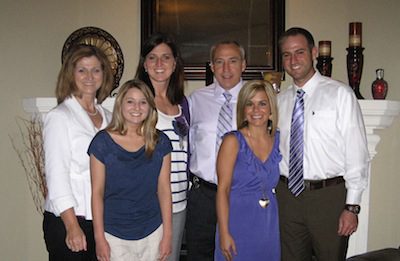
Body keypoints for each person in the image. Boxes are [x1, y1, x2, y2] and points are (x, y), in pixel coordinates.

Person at [276, 27, 370, 261]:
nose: (293, 60)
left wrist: (352, 207)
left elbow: (356, 152)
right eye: (286, 55)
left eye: (299, 52)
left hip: (328, 197)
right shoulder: (279, 101)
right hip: (287, 197)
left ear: (314, 52)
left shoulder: (340, 94)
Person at [42, 44, 114, 261]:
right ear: (71, 74)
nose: (89, 76)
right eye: (82, 70)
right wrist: (72, 225)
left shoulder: (110, 118)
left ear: (104, 74)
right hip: (71, 219)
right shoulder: (60, 117)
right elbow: (57, 176)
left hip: (101, 220)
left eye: (96, 70)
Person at [89, 79, 173, 261]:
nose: (137, 107)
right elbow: (97, 193)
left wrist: (167, 234)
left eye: (143, 102)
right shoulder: (102, 143)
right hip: (114, 234)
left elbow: (165, 190)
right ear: (120, 105)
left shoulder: (161, 142)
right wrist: (99, 238)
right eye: (130, 101)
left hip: (153, 231)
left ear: (150, 107)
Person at [186, 40, 246, 261]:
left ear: (243, 65)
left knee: (237, 254)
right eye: (219, 62)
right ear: (212, 67)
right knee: (198, 254)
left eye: (233, 61)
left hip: (240, 195)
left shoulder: (256, 101)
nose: (226, 69)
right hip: (203, 196)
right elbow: (188, 143)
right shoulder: (196, 100)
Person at [135, 32, 189, 261]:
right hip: (150, 204)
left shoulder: (182, 103)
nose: (159, 64)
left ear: (175, 63)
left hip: (178, 202)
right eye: (152, 57)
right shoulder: (138, 102)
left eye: (166, 57)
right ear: (144, 65)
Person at [215, 80, 281, 261]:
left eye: (262, 103)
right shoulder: (232, 141)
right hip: (237, 221)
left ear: (270, 109)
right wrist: (224, 232)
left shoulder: (278, 140)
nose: (256, 110)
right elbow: (223, 189)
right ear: (243, 109)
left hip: (268, 223)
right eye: (249, 104)